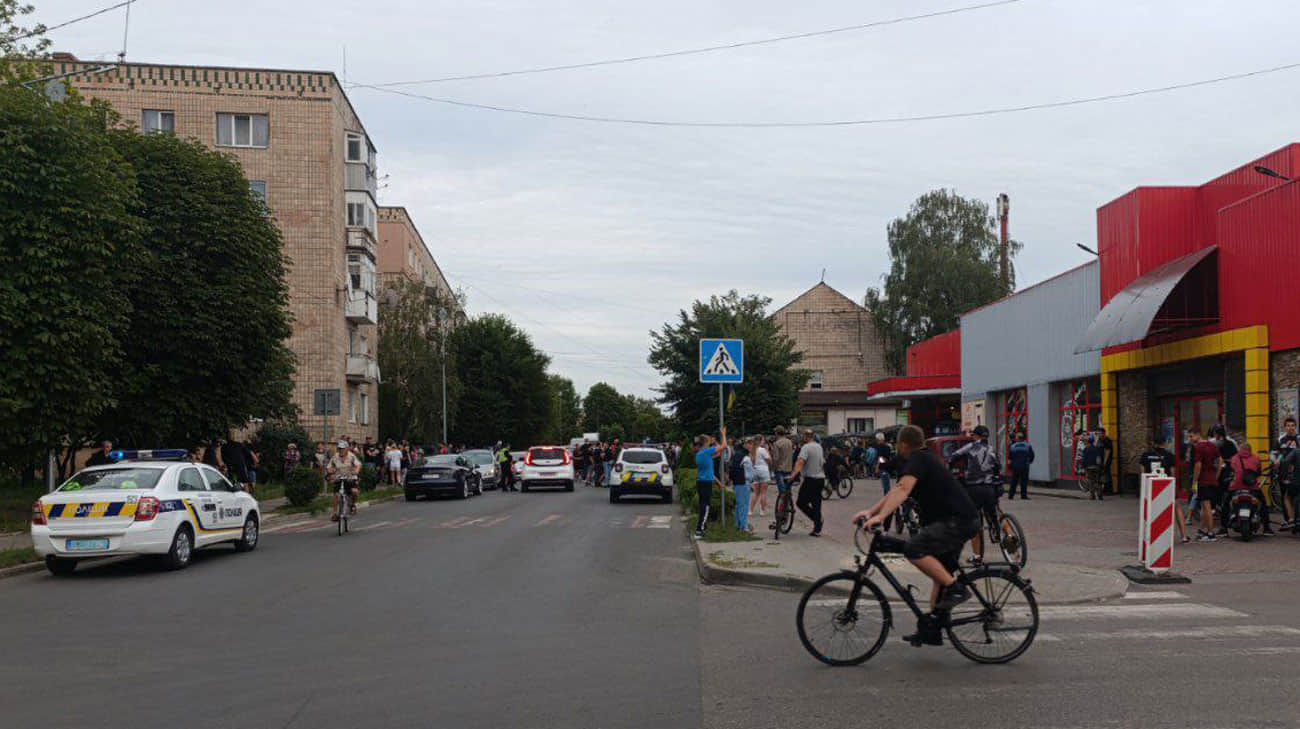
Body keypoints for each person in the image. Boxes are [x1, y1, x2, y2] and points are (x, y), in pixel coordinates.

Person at [853, 424, 981, 645]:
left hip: (956, 521)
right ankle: (932, 629)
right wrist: (871, 512)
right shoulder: (922, 459)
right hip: (958, 520)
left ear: (903, 444)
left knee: (914, 548)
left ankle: (957, 589)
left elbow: (903, 490)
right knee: (941, 574)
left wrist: (881, 518)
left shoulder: (919, 459)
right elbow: (897, 489)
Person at [949, 425, 1001, 562]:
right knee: (994, 513)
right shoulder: (992, 449)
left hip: (974, 488)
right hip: (990, 487)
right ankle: (1002, 533)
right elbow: (998, 466)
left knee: (974, 520)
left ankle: (977, 556)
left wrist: (951, 469)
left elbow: (953, 457)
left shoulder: (970, 447)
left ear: (976, 436)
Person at [1140, 435, 1186, 543]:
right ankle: (1184, 535)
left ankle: (1150, 535)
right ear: (1164, 443)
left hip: (1151, 485)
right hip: (1166, 485)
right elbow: (1173, 472)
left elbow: (1142, 472)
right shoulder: (1169, 455)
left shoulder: (1145, 455)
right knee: (1177, 507)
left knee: (1151, 509)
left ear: (1153, 443)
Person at [1225, 441, 1272, 536]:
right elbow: (1258, 472)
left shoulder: (1234, 458)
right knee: (1263, 504)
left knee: (1226, 504)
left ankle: (1223, 529)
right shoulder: (1256, 458)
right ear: (1250, 450)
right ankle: (1267, 528)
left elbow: (1231, 470)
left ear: (1240, 449)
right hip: (1253, 487)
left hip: (1236, 487)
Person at [790, 429, 825, 537]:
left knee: (801, 502)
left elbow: (800, 462)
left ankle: (817, 519)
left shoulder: (806, 447)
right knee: (816, 503)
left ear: (805, 437)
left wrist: (792, 475)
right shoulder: (819, 447)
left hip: (810, 479)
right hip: (820, 479)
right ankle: (817, 529)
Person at [693, 429, 728, 538]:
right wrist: (723, 434)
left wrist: (719, 483)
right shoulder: (707, 451)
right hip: (706, 483)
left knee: (703, 505)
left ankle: (702, 526)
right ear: (706, 442)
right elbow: (724, 446)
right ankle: (699, 530)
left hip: (701, 482)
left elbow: (711, 468)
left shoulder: (700, 454)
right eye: (709, 441)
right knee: (706, 506)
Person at [1189, 429, 1221, 542]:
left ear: (1198, 435)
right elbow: (1220, 461)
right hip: (1212, 479)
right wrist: (1216, 475)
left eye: (1191, 436)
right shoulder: (1212, 445)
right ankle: (1202, 530)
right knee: (1204, 506)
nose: (1190, 439)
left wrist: (1194, 481)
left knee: (1207, 507)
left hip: (1203, 480)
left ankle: (1211, 533)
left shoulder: (1198, 447)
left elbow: (1198, 465)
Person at [327, 440, 362, 522]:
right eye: (339, 448)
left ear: (347, 449)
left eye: (343, 448)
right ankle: (334, 514)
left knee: (355, 491)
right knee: (336, 495)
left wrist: (356, 471)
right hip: (339, 477)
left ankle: (353, 504)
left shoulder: (351, 456)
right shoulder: (335, 457)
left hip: (350, 477)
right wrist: (331, 472)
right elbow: (329, 467)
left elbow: (358, 465)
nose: (341, 450)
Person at [729, 441, 753, 533]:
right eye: (749, 444)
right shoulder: (745, 457)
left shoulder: (736, 455)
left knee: (738, 505)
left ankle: (737, 524)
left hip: (737, 483)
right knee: (744, 506)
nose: (751, 446)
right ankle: (743, 526)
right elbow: (749, 473)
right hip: (743, 483)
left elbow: (732, 469)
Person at [1006, 429, 1034, 500]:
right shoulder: (1028, 446)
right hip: (1024, 466)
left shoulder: (1013, 446)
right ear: (1023, 438)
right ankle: (1023, 495)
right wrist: (1029, 462)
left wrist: (1010, 465)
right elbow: (1032, 455)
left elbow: (1010, 457)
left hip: (1015, 466)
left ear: (1017, 438)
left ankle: (1011, 495)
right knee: (1024, 481)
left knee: (1014, 481)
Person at [749, 436, 773, 517]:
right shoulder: (762, 450)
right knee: (763, 492)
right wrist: (767, 450)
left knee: (756, 493)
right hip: (763, 470)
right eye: (763, 440)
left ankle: (750, 510)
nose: (764, 442)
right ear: (760, 441)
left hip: (755, 471)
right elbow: (769, 460)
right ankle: (762, 511)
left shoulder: (752, 450)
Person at [1080, 435, 1105, 500]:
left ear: (1088, 442)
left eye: (1085, 441)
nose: (1084, 442)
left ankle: (1092, 495)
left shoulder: (1086, 449)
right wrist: (1100, 466)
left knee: (1091, 481)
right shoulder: (1096, 449)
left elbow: (1084, 459)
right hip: (1097, 467)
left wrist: (1083, 466)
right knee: (1098, 481)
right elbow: (1099, 458)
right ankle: (1100, 495)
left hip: (1089, 468)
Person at [1096, 427, 1116, 495]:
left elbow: (1107, 452)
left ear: (1104, 433)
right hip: (1100, 460)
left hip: (1106, 461)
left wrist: (1105, 462)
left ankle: (1109, 490)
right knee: (1102, 474)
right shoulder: (1100, 440)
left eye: (1100, 433)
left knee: (1107, 474)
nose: (1098, 435)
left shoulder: (1107, 440)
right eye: (1098, 433)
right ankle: (1104, 489)